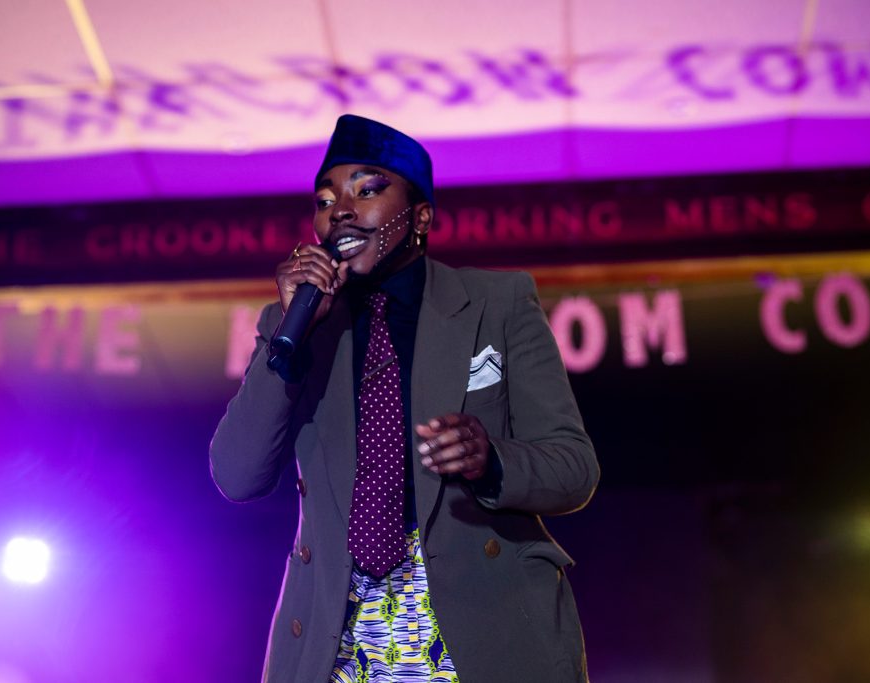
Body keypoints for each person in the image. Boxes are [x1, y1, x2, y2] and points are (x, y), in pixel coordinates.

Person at [210, 114, 598, 683]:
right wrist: (288, 343)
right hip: (339, 638)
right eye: (325, 199)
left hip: (481, 629)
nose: (340, 209)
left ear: (420, 217)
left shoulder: (499, 302)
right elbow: (237, 475)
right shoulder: (296, 324)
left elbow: (573, 468)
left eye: (367, 190)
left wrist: (492, 459)